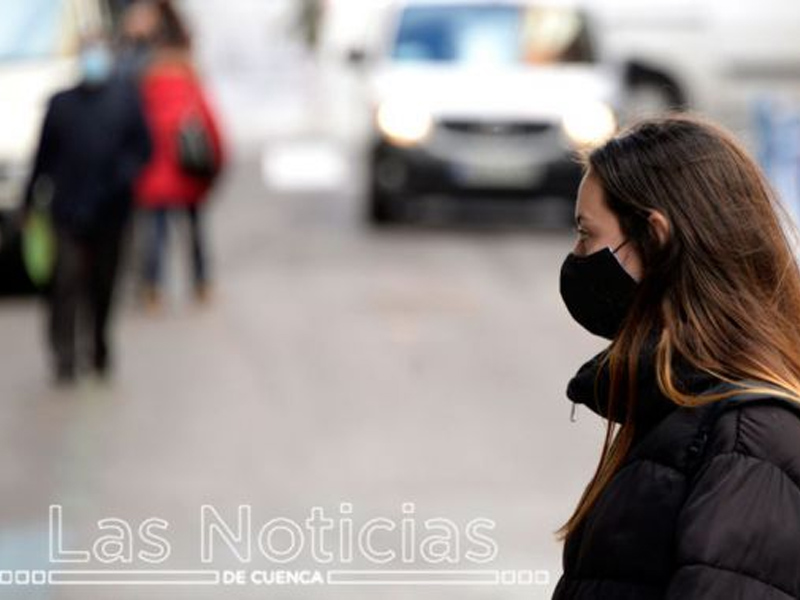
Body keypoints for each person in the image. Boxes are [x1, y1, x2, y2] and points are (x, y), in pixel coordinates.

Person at [553, 116, 800, 598]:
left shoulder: (746, 438)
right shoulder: (682, 407)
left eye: (587, 233)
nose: (577, 254)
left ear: (656, 237)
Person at [23, 34, 152, 383]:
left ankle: (97, 345)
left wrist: (122, 178)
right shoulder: (62, 104)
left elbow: (144, 148)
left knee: (103, 284)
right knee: (64, 283)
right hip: (67, 212)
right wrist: (28, 201)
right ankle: (64, 355)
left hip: (112, 211)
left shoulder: (126, 100)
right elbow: (43, 158)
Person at [134, 0, 225, 311]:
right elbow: (212, 126)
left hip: (155, 176)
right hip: (190, 172)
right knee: (195, 231)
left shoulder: (144, 88)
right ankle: (201, 283)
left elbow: (130, 133)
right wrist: (217, 165)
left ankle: (153, 289)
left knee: (157, 234)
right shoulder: (190, 84)